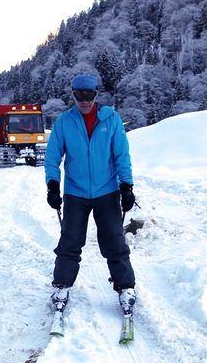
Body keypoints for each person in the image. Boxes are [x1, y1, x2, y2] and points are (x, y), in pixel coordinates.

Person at [44, 74, 137, 317]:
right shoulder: (64, 122)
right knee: (70, 241)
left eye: (89, 95)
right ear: (73, 95)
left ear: (96, 94)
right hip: (76, 192)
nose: (84, 100)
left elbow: (121, 155)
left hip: (107, 190)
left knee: (114, 240)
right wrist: (52, 185)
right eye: (79, 95)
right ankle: (61, 286)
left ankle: (125, 287)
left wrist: (127, 186)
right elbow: (52, 157)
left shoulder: (111, 119)